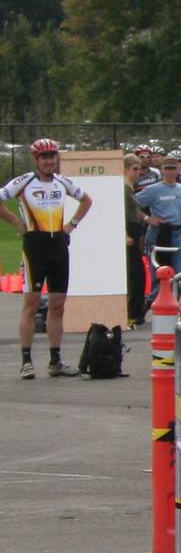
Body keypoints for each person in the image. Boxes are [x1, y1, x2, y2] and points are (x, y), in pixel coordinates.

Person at [2, 140, 93, 378]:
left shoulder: (62, 182)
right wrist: (17, 223)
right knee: (31, 305)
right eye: (45, 158)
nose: (49, 161)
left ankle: (55, 361)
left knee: (58, 306)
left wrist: (71, 225)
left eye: (52, 157)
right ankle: (26, 361)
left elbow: (87, 200)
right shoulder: (24, 181)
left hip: (59, 245)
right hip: (34, 246)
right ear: (36, 160)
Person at [134, 151, 181, 283]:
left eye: (173, 169)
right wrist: (147, 219)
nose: (170, 172)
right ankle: (155, 300)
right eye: (167, 169)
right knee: (158, 273)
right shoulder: (152, 189)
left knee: (179, 273)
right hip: (158, 233)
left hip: (176, 234)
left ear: (178, 170)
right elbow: (132, 204)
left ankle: (177, 300)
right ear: (162, 170)